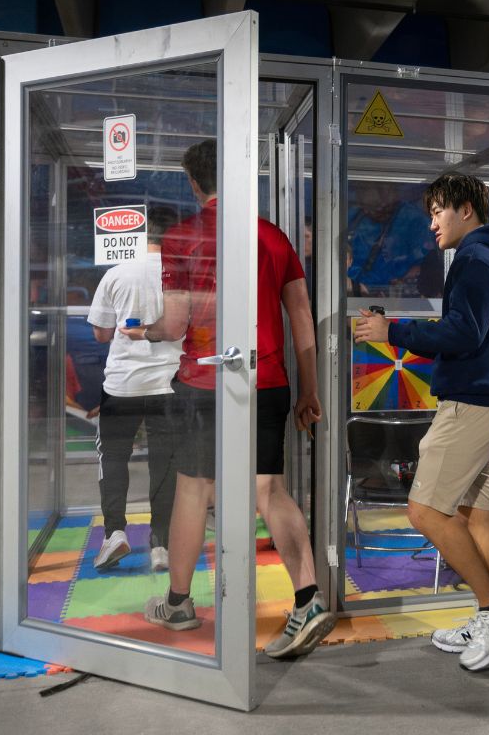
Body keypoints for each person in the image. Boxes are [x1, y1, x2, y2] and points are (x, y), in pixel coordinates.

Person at [126, 140, 334, 660]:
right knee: (270, 490)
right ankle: (308, 598)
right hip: (267, 380)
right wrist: (308, 388)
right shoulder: (272, 236)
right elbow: (302, 320)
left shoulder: (182, 235)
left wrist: (141, 332)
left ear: (195, 184)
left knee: (194, 489)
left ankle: (178, 604)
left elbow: (175, 323)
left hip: (203, 382)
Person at [352, 172, 489, 672]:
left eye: (438, 211)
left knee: (426, 511)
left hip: (471, 403)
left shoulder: (474, 259)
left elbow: (462, 333)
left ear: (466, 210)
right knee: (479, 513)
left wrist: (393, 330)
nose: (432, 222)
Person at [86, 205, 182, 573]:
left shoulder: (117, 273)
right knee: (165, 462)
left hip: (122, 384)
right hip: (168, 383)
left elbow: (100, 333)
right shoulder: (179, 275)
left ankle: (115, 533)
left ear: (139, 238)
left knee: (112, 457)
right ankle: (160, 541)